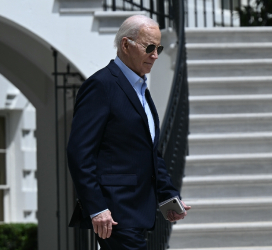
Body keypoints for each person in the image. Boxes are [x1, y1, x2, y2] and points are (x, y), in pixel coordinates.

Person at [67, 15, 190, 250]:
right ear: (126, 45)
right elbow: (79, 153)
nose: (155, 55)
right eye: (149, 47)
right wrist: (97, 207)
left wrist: (168, 196)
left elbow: (150, 152)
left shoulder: (141, 89)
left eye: (159, 48)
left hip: (140, 211)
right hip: (114, 214)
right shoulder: (101, 86)